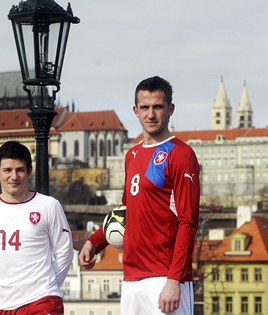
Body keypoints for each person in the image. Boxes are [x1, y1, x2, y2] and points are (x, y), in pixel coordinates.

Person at [79, 76, 200, 314]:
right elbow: (127, 212)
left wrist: (174, 280)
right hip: (132, 279)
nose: (151, 114)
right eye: (145, 107)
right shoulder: (131, 155)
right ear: (135, 111)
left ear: (170, 109)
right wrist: (94, 242)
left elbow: (188, 221)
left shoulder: (181, 154)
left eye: (158, 106)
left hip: (165, 278)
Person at [0, 141, 73, 314]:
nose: (14, 176)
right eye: (7, 170)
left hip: (42, 300)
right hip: (3, 304)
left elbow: (65, 252)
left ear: (29, 171)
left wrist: (48, 285)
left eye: (20, 170)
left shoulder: (48, 205)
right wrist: (2, 281)